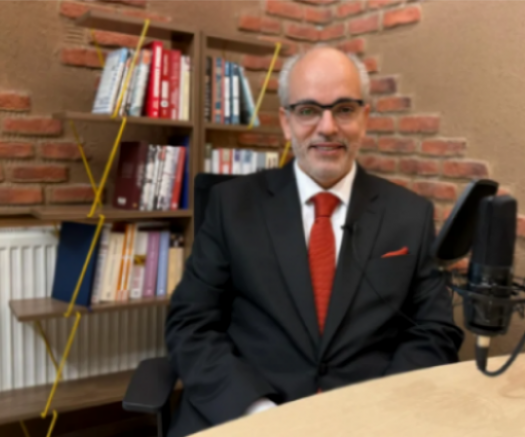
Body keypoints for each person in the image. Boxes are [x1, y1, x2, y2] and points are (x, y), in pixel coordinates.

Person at [164, 45, 464, 436]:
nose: (327, 127)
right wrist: (258, 412)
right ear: (286, 122)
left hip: (369, 420)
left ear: (364, 118)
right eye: (308, 110)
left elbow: (434, 331)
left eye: (344, 109)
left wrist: (380, 410)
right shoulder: (231, 205)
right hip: (247, 415)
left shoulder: (411, 214)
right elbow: (190, 325)